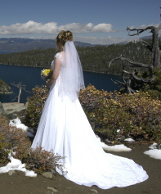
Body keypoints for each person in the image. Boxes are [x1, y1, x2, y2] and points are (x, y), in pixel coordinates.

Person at [31, 30, 148, 189]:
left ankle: (50, 149)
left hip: (58, 92)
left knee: (56, 118)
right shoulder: (73, 57)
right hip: (70, 95)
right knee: (72, 120)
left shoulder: (59, 56)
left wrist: (48, 81)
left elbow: (56, 76)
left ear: (59, 42)